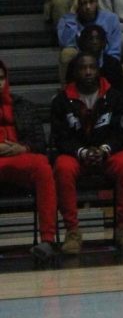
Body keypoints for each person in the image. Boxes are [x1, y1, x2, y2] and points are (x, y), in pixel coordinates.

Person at [50, 51, 123, 254]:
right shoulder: (62, 100)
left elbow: (121, 131)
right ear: (75, 72)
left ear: (98, 71)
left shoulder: (114, 96)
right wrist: (81, 152)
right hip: (76, 154)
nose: (88, 72)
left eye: (91, 67)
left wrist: (104, 149)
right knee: (62, 167)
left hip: (107, 151)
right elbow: (60, 137)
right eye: (83, 68)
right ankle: (72, 231)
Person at [0, 57, 58, 262]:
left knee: (42, 166)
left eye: (1, 78)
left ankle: (47, 240)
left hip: (19, 158)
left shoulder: (23, 105)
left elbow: (39, 142)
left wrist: (22, 147)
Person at [56, 0, 123, 84]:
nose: (88, 7)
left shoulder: (111, 19)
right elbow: (66, 43)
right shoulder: (66, 20)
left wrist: (100, 65)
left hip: (104, 61)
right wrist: (73, 12)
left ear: (97, 1)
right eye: (83, 3)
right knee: (66, 53)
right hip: (80, 64)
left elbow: (114, 52)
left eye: (91, 2)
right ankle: (66, 94)